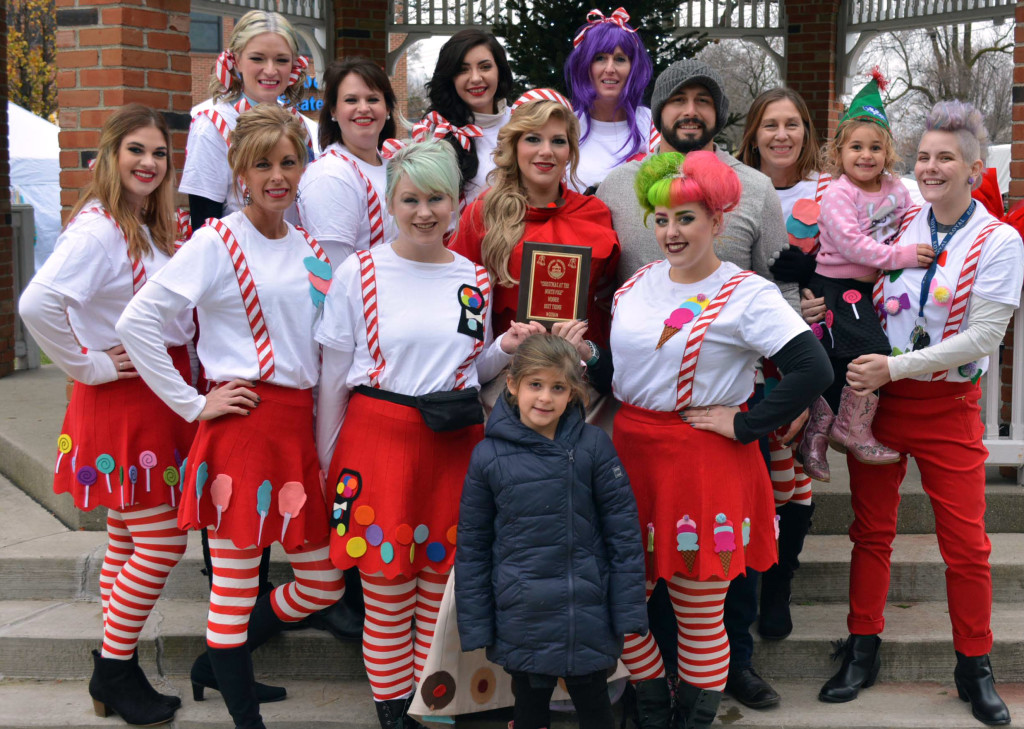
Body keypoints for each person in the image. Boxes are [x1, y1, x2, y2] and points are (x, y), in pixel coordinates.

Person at [117, 104, 346, 729]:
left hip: (300, 430)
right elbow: (136, 323)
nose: (278, 175)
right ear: (239, 173)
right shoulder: (217, 240)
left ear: (304, 167)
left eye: (289, 162)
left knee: (324, 584)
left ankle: (220, 664)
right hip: (242, 427)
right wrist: (193, 403)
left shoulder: (310, 248)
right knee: (235, 586)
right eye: (262, 164)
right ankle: (245, 718)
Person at [315, 139, 540, 729]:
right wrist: (325, 461)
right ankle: (394, 712)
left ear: (455, 203)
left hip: (451, 444)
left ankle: (431, 710)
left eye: (436, 199)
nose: (423, 212)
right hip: (378, 443)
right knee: (388, 594)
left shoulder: (471, 279)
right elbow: (334, 380)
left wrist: (504, 349)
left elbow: (472, 367)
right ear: (391, 201)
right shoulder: (358, 273)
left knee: (441, 597)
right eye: (410, 199)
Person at [814, 101, 1020, 727]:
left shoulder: (999, 240)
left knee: (966, 546)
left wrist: (895, 368)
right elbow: (850, 276)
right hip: (879, 405)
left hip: (948, 407)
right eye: (924, 156)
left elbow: (985, 335)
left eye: (945, 157)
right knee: (871, 530)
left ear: (974, 167)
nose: (931, 167)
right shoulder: (898, 223)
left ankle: (974, 665)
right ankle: (862, 647)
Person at [610, 150, 832, 728]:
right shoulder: (636, 285)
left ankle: (691, 719)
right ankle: (654, 706)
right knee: (627, 603)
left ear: (717, 221)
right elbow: (623, 370)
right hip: (630, 456)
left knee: (699, 610)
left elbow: (812, 367)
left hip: (702, 461)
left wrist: (745, 423)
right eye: (660, 219)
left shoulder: (747, 293)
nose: (671, 231)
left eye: (686, 218)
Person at [596, 59, 793, 710]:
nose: (690, 110)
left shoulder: (755, 189)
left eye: (703, 100)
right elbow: (602, 285)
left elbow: (777, 281)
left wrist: (765, 409)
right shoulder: (616, 185)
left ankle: (726, 669)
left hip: (719, 399)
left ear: (718, 113)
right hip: (641, 398)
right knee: (639, 572)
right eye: (677, 99)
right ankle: (648, 686)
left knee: (717, 567)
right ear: (657, 111)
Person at [19, 104, 195, 727]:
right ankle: (114, 668)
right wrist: (87, 364)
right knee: (163, 537)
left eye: (159, 153)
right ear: (109, 156)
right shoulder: (98, 229)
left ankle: (113, 668)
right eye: (136, 150)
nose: (149, 163)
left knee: (126, 535)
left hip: (146, 396)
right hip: (125, 398)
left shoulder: (139, 225)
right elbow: (37, 303)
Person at [455, 333, 648, 729]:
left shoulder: (594, 446)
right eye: (535, 385)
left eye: (557, 388)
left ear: (573, 393)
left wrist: (627, 609)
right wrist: (477, 623)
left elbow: (623, 534)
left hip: (586, 611)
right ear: (512, 384)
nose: (544, 398)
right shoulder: (487, 455)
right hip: (522, 612)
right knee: (529, 708)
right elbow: (473, 546)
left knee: (596, 710)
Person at [799, 71, 931, 483]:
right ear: (839, 151)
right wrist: (903, 256)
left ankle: (818, 435)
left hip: (871, 289)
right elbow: (854, 246)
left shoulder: (897, 189)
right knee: (868, 352)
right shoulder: (839, 193)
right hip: (837, 286)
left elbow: (911, 223)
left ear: (888, 150)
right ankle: (841, 429)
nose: (866, 155)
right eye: (856, 146)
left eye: (875, 147)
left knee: (847, 361)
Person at [736, 87, 831, 644]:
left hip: (810, 350)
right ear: (754, 133)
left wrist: (815, 290)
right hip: (754, 352)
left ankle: (779, 580)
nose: (781, 134)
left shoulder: (830, 192)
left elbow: (855, 265)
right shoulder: (740, 190)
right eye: (770, 124)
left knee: (796, 475)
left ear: (806, 131)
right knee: (769, 475)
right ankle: (756, 573)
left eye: (792, 123)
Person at [449, 89, 621, 370]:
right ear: (514, 146)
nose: (546, 151)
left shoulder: (596, 213)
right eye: (533, 139)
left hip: (579, 378)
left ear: (570, 151)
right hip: (506, 374)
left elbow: (609, 301)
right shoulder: (482, 212)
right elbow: (461, 303)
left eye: (558, 141)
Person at [180, 9, 318, 233]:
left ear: (293, 66)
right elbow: (203, 223)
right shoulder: (212, 124)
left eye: (281, 60)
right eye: (257, 58)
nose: (271, 70)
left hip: (294, 253)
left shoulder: (300, 124)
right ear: (236, 61)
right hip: (239, 259)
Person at [298, 57, 399, 267]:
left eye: (373, 99)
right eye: (351, 100)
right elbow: (335, 272)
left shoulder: (396, 166)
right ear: (333, 111)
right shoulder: (331, 174)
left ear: (387, 109)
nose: (363, 108)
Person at [417, 29, 514, 206]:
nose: (476, 78)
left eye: (485, 67)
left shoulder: (522, 122)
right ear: (450, 78)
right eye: (463, 70)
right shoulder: (436, 131)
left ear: (499, 71)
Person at [563, 6, 654, 193]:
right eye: (600, 58)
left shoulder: (652, 123)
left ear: (633, 68)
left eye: (620, 59)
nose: (610, 68)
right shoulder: (565, 126)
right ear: (585, 66)